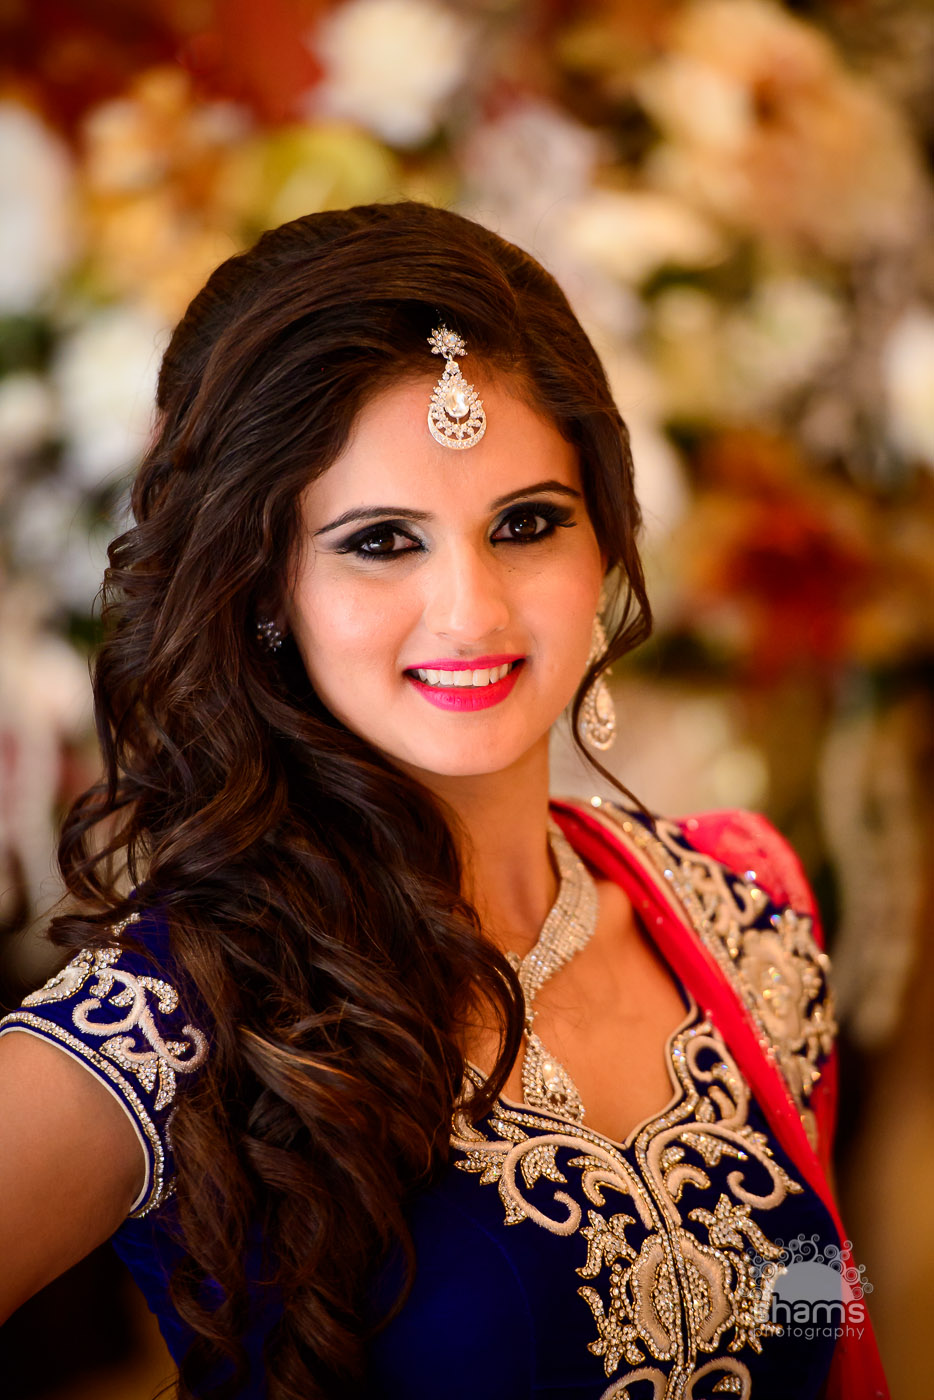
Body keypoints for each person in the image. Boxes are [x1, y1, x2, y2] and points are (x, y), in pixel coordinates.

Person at [0, 201, 887, 1400]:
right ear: (264, 587)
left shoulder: (742, 908)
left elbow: (819, 1304)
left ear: (604, 541)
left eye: (526, 523)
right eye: (380, 540)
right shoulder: (185, 1012)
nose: (472, 610)